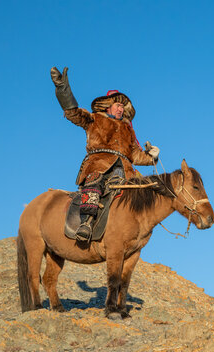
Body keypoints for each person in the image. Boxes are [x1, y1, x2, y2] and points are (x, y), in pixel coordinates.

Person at [50, 66, 160, 241]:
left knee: (144, 192)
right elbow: (73, 113)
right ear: (108, 106)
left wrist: (153, 156)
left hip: (124, 170)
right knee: (96, 183)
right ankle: (86, 224)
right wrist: (63, 90)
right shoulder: (94, 119)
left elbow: (136, 156)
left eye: (123, 107)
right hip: (99, 164)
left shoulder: (127, 130)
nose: (121, 109)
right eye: (118, 105)